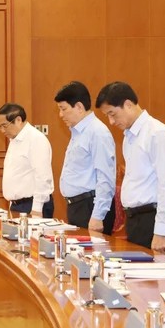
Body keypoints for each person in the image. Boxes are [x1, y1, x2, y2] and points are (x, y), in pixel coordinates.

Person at [96, 82, 165, 257]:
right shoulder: (129, 137)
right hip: (135, 220)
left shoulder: (157, 133)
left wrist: (161, 232)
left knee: (154, 282)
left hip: (153, 219)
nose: (111, 122)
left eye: (112, 114)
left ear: (128, 104)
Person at [54, 82, 116, 233]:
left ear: (79, 107)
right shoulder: (78, 132)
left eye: (63, 109)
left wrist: (98, 216)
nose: (60, 115)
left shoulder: (97, 132)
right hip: (77, 207)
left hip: (90, 207)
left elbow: (105, 177)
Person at [0, 103, 54, 218]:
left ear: (18, 120)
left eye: (4, 125)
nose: (2, 130)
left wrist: (37, 209)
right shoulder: (14, 140)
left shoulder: (35, 139)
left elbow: (43, 177)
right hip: (18, 205)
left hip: (32, 205)